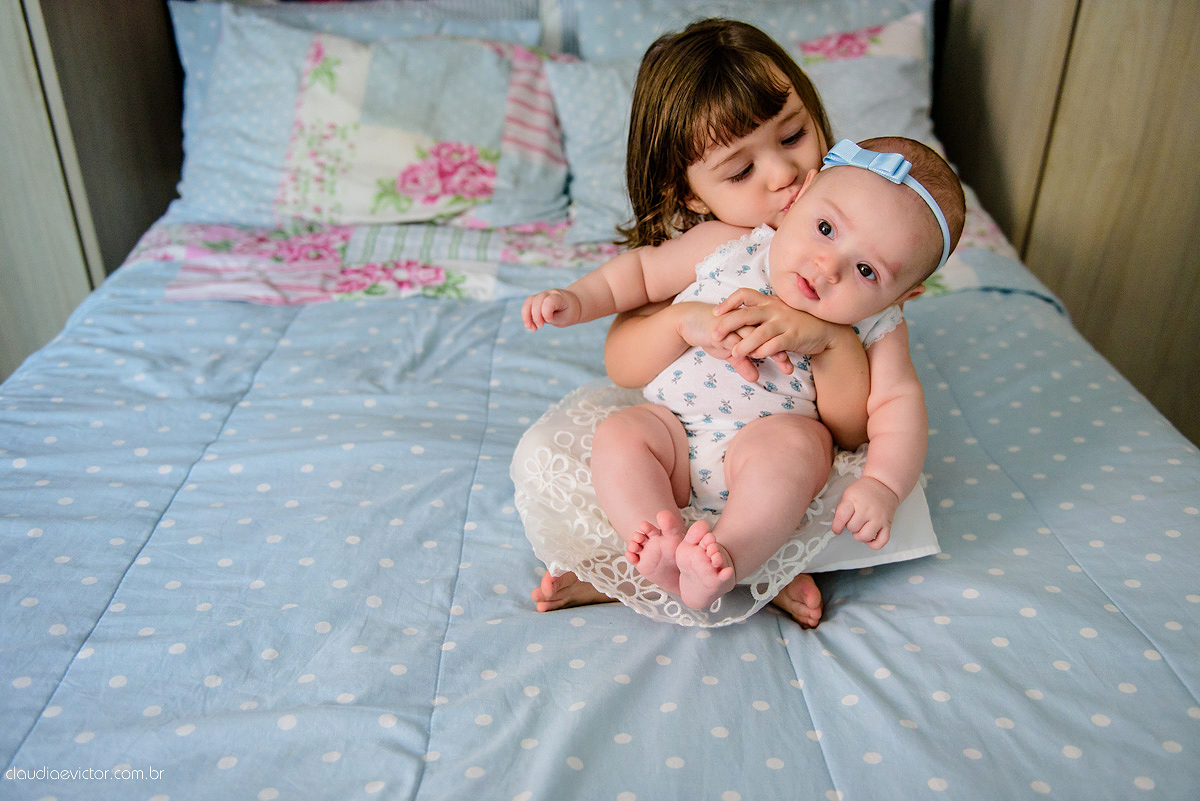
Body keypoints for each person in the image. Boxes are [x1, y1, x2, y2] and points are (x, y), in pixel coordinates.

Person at [511, 19, 941, 627]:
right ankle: (655, 555)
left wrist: (831, 345)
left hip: (774, 448)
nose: (782, 174)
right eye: (740, 171)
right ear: (690, 194)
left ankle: (733, 561)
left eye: (794, 135)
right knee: (619, 438)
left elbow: (864, 425)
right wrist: (580, 301)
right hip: (678, 434)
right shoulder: (721, 244)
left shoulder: (867, 292)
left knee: (799, 461)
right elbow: (634, 278)